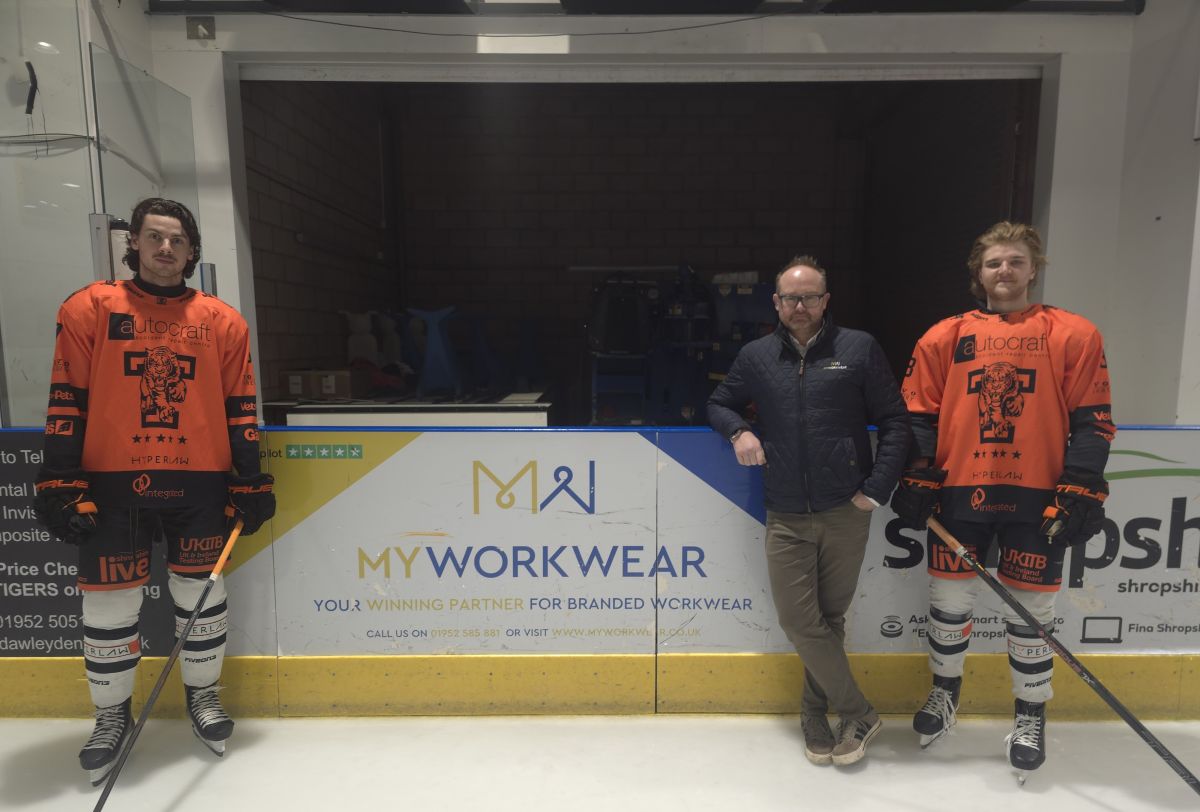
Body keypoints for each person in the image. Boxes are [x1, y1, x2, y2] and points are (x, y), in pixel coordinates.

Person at [32, 198, 276, 784]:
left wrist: (249, 478)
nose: (165, 249)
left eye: (176, 240)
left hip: (200, 482)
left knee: (201, 600)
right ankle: (111, 717)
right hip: (111, 485)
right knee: (109, 604)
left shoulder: (223, 321)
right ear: (134, 244)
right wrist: (60, 480)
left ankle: (203, 698)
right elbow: (67, 397)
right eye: (153, 237)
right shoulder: (90, 308)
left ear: (192, 252)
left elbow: (240, 407)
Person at [890, 221, 1114, 775]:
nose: (1005, 272)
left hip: (1038, 494)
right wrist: (918, 474)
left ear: (1034, 268)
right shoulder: (943, 336)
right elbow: (918, 415)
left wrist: (1081, 483)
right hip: (960, 490)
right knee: (949, 602)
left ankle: (1031, 713)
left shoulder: (1074, 333)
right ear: (978, 273)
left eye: (1015, 261)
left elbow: (1093, 419)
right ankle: (945, 698)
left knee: (1032, 611)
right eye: (994, 263)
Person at [707, 255, 910, 766]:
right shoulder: (756, 356)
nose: (800, 306)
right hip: (787, 512)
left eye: (810, 297)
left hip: (847, 508)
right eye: (791, 298)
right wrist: (740, 430)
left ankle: (814, 714)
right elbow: (718, 402)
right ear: (776, 303)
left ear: (826, 301)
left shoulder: (858, 349)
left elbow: (895, 423)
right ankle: (858, 710)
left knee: (829, 619)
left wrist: (877, 489)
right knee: (800, 621)